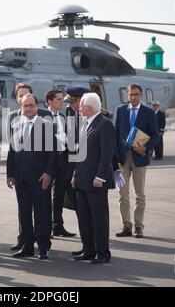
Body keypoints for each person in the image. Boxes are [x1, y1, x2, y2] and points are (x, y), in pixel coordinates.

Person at [7, 94, 56, 260]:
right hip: (21, 179)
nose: (28, 108)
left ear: (37, 106)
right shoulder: (16, 125)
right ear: (21, 107)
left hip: (41, 178)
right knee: (25, 214)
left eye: (31, 105)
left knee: (43, 214)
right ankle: (27, 247)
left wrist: (48, 173)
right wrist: (10, 174)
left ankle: (44, 247)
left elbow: (53, 153)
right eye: (25, 105)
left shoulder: (47, 125)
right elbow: (12, 152)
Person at [72, 93, 115, 264]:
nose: (78, 108)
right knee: (84, 218)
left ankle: (103, 252)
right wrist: (75, 174)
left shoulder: (104, 125)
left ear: (89, 108)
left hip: (95, 182)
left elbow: (107, 155)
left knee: (99, 219)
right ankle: (88, 249)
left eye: (81, 106)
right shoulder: (85, 123)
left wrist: (100, 177)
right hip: (82, 181)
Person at [114, 84, 159, 239]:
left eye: (136, 94)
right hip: (122, 158)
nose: (134, 97)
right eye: (131, 94)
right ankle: (126, 226)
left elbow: (155, 135)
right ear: (127, 95)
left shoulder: (148, 112)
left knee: (139, 194)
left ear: (141, 95)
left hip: (140, 157)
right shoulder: (120, 111)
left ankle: (139, 226)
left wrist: (145, 148)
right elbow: (115, 133)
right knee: (122, 194)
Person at [45, 89, 76, 237]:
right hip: (47, 162)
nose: (61, 101)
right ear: (50, 102)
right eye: (58, 99)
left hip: (62, 160)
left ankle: (57, 225)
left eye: (61, 99)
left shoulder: (63, 117)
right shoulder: (42, 117)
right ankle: (44, 227)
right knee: (44, 195)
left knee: (59, 195)